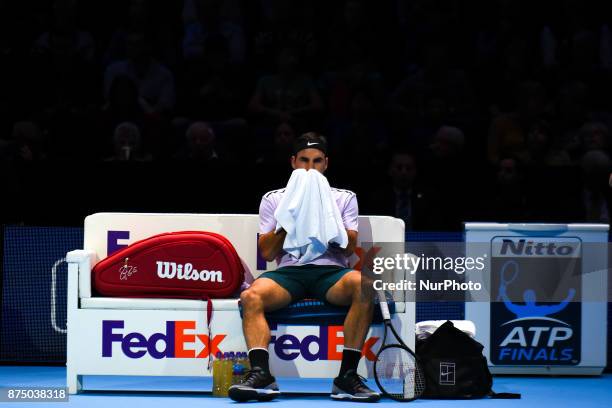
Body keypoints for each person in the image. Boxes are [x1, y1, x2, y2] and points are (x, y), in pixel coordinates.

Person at [229, 132, 379, 403]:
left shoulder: (344, 198)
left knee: (365, 286)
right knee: (250, 296)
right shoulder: (274, 199)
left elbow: (347, 248)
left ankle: (346, 377)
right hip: (289, 273)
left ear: (326, 164)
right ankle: (262, 374)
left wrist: (322, 215)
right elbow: (268, 251)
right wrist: (292, 215)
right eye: (304, 161)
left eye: (317, 161)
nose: (310, 168)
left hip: (331, 272)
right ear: (293, 162)